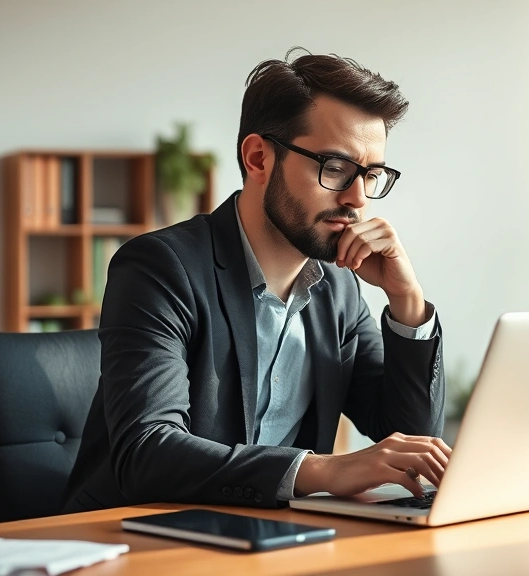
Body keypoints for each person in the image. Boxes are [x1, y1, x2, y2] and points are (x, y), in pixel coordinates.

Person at [63, 47, 449, 512]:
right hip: (135, 537)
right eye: (336, 168)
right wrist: (324, 470)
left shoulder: (339, 289)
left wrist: (406, 298)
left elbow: (408, 439)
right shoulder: (160, 267)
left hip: (275, 535)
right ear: (258, 158)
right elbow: (147, 452)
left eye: (371, 175)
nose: (358, 199)